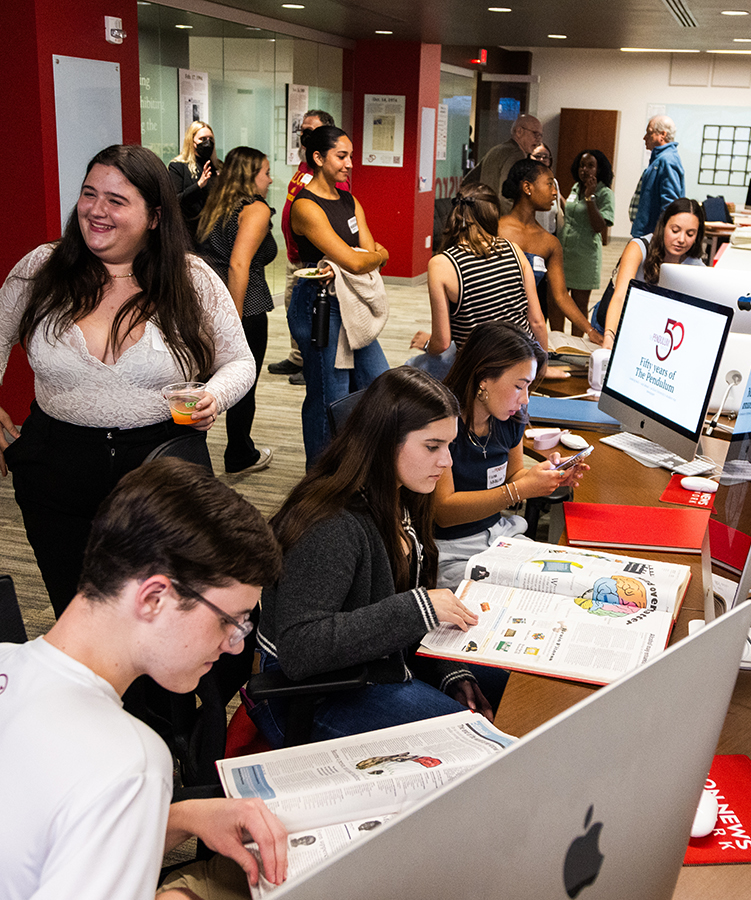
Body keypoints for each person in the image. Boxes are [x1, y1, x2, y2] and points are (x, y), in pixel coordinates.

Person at [0, 459, 289, 900]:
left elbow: (36, 846)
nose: (235, 645)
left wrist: (182, 817)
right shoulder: (130, 762)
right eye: (228, 622)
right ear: (155, 597)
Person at [0, 144, 255, 615]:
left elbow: (239, 361)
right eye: (88, 194)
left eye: (116, 201)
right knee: (77, 605)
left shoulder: (191, 278)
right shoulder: (43, 267)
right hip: (55, 466)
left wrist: (213, 397)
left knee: (159, 612)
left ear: (155, 217)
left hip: (159, 467)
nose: (96, 211)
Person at [249, 367, 505, 748]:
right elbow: (300, 650)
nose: (447, 462)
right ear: (385, 441)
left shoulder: (400, 494)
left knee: (506, 679)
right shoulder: (331, 523)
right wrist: (417, 609)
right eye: (432, 446)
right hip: (310, 696)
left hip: (373, 664)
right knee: (470, 741)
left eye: (449, 446)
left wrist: (450, 671)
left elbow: (402, 616)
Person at [432, 323, 588, 586]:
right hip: (450, 549)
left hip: (499, 537)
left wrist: (547, 478)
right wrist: (518, 491)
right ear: (483, 378)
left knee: (567, 578)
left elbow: (514, 474)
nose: (525, 399)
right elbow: (444, 512)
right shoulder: (441, 422)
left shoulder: (508, 418)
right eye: (519, 386)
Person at [288, 124, 392, 464]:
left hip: (352, 305)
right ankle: (318, 482)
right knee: (328, 397)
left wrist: (367, 258)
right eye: (341, 156)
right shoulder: (305, 206)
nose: (349, 164)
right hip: (319, 306)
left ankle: (351, 467)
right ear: (318, 158)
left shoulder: (348, 199)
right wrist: (374, 256)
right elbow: (357, 258)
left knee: (377, 383)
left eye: (351, 156)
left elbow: (362, 255)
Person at [408, 182, 546, 378]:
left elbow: (442, 343)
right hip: (523, 359)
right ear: (492, 215)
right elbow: (537, 321)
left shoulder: (441, 264)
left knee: (411, 367)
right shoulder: (514, 250)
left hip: (481, 368)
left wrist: (427, 343)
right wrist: (541, 367)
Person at [197, 146, 278, 474]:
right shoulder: (255, 209)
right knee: (243, 381)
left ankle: (191, 456)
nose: (271, 180)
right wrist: (235, 320)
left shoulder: (215, 204)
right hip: (244, 308)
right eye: (266, 173)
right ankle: (240, 454)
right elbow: (239, 264)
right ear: (250, 175)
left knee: (203, 383)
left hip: (204, 306)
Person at [497, 158, 602, 350]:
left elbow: (561, 296)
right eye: (549, 184)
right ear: (527, 188)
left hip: (524, 332)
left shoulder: (550, 243)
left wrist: (590, 331)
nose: (555, 192)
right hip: (490, 328)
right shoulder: (495, 230)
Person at [271, 108, 341, 384]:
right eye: (302, 131)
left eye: (311, 131)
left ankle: (309, 365)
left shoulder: (328, 174)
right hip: (293, 256)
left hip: (312, 260)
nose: (305, 136)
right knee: (293, 310)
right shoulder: (302, 169)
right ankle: (297, 357)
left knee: (309, 315)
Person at [595, 197, 706, 350]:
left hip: (651, 331)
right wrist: (609, 336)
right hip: (613, 325)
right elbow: (620, 297)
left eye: (690, 234)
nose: (681, 239)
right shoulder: (639, 247)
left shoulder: (695, 264)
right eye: (675, 230)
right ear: (663, 226)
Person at [560, 148, 615, 335]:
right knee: (557, 299)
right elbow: (571, 211)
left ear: (599, 169)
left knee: (579, 304)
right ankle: (557, 341)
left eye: (591, 166)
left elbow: (599, 226)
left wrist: (590, 197)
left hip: (585, 257)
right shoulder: (576, 187)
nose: (585, 170)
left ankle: (575, 344)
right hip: (565, 253)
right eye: (582, 165)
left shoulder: (605, 193)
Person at [628, 115, 685, 239]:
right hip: (647, 232)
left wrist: (660, 237)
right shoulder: (659, 159)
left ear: (662, 135)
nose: (644, 138)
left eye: (649, 133)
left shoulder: (667, 160)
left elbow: (670, 204)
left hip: (652, 235)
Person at [475, 113, 543, 214]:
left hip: (484, 216)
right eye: (535, 134)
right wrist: (514, 223)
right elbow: (506, 197)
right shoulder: (516, 154)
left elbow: (469, 181)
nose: (538, 139)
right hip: (501, 220)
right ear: (519, 131)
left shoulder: (495, 150)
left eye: (540, 135)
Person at [168, 120, 219, 239]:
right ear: (192, 141)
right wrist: (199, 185)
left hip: (213, 231)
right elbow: (175, 200)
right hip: (189, 231)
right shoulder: (178, 166)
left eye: (210, 139)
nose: (207, 143)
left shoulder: (217, 166)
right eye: (202, 139)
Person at [530, 143, 563, 233]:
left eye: (545, 157)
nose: (541, 159)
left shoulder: (554, 183)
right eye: (537, 156)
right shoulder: (524, 183)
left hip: (550, 234)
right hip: (530, 236)